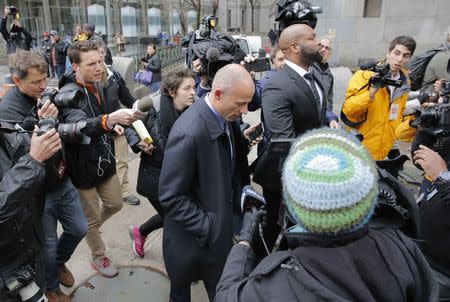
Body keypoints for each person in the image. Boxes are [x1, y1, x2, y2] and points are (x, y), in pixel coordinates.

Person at [216, 128, 438, 302]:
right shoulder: (401, 247)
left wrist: (244, 243)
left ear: (292, 205)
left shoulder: (277, 280)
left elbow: (227, 295)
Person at [158, 64, 256, 301]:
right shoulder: (189, 132)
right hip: (195, 240)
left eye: (247, 104)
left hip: (216, 237)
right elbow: (170, 196)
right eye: (240, 104)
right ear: (219, 94)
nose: (245, 111)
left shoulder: (225, 115)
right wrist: (210, 226)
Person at [0, 50, 87, 302]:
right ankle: (52, 288)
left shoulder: (46, 95)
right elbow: (20, 162)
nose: (43, 86)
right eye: (36, 82)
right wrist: (41, 124)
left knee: (79, 228)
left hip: (61, 178)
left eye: (45, 79)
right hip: (37, 193)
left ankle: (59, 264)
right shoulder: (7, 114)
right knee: (46, 247)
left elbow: (70, 124)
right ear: (17, 81)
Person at [58, 40, 143, 278]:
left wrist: (111, 127)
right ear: (75, 67)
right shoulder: (67, 94)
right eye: (92, 63)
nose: (99, 67)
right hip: (82, 169)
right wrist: (108, 121)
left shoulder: (101, 82)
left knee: (115, 204)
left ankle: (91, 230)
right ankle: (98, 255)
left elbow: (103, 118)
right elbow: (78, 126)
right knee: (90, 218)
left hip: (104, 161)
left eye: (100, 61)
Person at [255, 24, 339, 252]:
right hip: (285, 178)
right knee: (276, 229)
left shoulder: (316, 77)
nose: (320, 42)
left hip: (310, 175)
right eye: (313, 38)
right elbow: (283, 143)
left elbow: (317, 121)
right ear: (294, 47)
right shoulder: (276, 86)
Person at [128, 69, 196, 258]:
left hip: (181, 179)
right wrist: (137, 142)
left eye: (194, 87)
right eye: (187, 88)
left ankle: (139, 232)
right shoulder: (152, 108)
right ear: (172, 92)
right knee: (175, 223)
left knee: (174, 219)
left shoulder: (195, 111)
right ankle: (181, 266)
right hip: (155, 179)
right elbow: (129, 125)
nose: (193, 92)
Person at [0, 119, 62, 302]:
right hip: (6, 271)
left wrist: (43, 135)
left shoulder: (5, 129)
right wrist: (33, 161)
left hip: (31, 247)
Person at [341, 36, 416, 160]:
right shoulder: (365, 75)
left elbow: (398, 114)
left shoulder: (404, 81)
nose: (399, 59)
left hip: (383, 152)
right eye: (396, 53)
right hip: (357, 151)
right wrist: (373, 91)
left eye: (405, 56)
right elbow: (349, 111)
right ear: (388, 52)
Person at [96, 43, 141, 206]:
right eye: (96, 53)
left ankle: (124, 192)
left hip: (118, 128)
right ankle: (106, 196)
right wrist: (107, 122)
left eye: (102, 52)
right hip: (98, 130)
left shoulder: (113, 74)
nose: (99, 56)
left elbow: (126, 97)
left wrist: (138, 107)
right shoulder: (87, 79)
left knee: (121, 161)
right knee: (102, 163)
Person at [312, 37, 339, 128]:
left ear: (330, 54)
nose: (323, 49)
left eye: (327, 48)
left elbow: (328, 100)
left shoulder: (329, 75)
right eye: (321, 46)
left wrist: (330, 119)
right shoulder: (308, 68)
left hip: (323, 121)